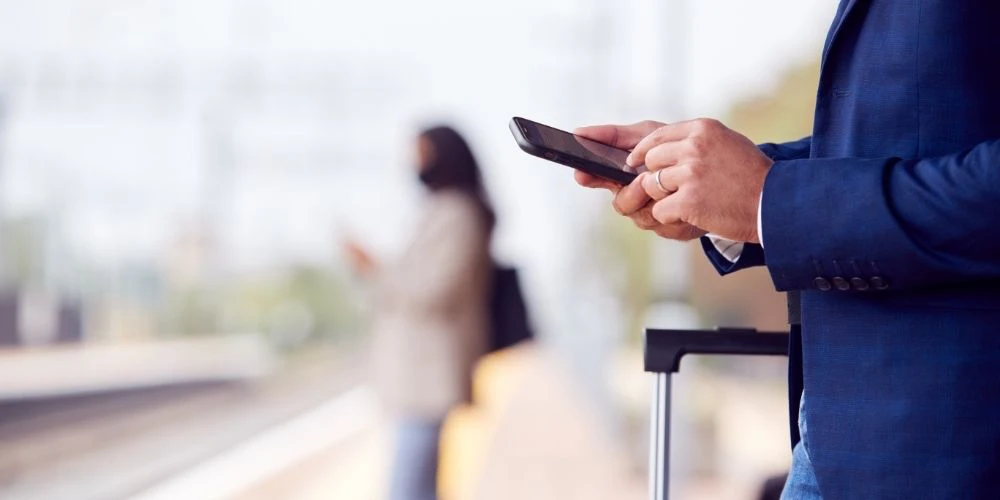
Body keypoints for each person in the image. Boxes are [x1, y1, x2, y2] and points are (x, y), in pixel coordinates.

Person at [575, 1, 1000, 498]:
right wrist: (729, 192)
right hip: (838, 439)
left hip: (951, 447)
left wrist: (767, 198)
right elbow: (892, 141)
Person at [344, 126, 494, 500]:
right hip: (418, 378)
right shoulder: (443, 211)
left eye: (421, 153)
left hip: (429, 376)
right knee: (419, 486)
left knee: (407, 488)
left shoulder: (458, 214)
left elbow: (434, 291)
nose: (413, 163)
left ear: (443, 156)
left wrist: (375, 268)